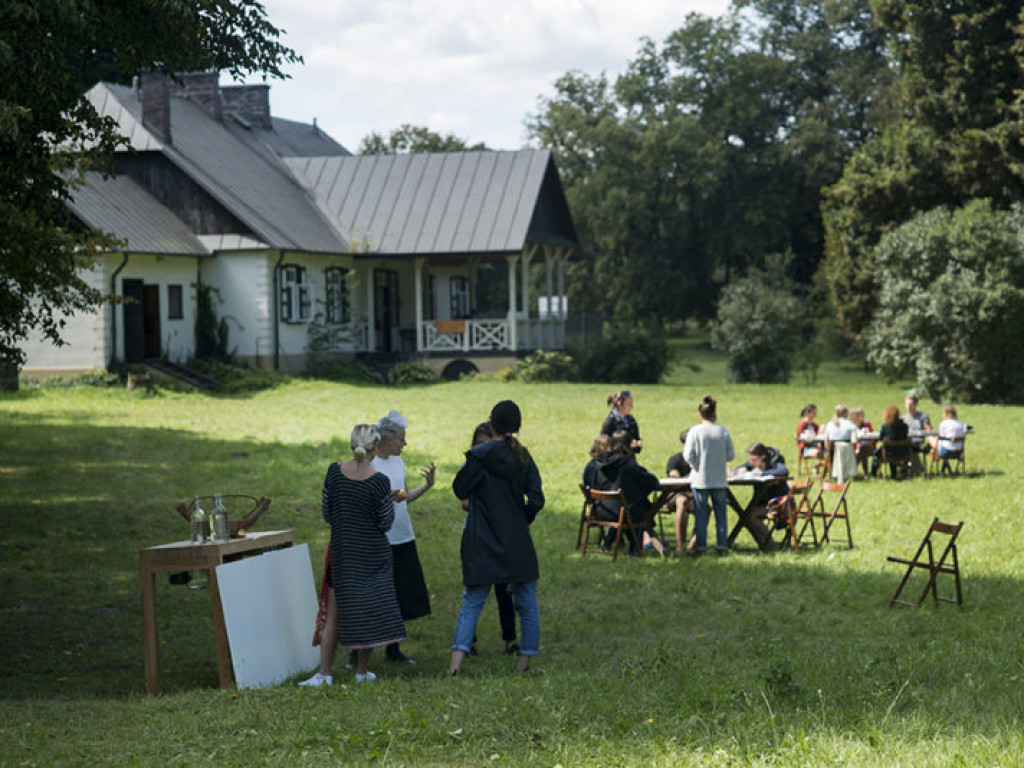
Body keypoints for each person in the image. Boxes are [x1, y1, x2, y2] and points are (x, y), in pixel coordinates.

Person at [300, 424, 405, 686]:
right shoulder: (380, 482)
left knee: (334, 614)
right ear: (375, 447)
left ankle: (325, 673)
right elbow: (385, 523)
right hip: (372, 556)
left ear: (351, 444)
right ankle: (361, 672)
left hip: (343, 553)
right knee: (367, 613)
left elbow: (327, 513)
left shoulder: (334, 472)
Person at [449, 400, 544, 676]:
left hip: (482, 537)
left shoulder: (479, 456)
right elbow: (536, 498)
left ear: (492, 422)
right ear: (517, 425)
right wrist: (521, 518)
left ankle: (455, 667)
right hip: (517, 540)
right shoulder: (522, 456)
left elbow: (459, 488)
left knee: (471, 603)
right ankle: (523, 664)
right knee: (527, 602)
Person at [372, 411, 435, 665]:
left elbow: (403, 496)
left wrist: (427, 486)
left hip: (402, 535)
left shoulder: (398, 462)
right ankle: (359, 650)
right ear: (387, 440)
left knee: (400, 593)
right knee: (376, 594)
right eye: (401, 439)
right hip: (380, 538)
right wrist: (388, 495)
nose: (405, 444)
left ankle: (394, 648)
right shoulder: (371, 464)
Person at [464, 421, 519, 656]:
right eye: (478, 444)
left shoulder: (505, 464)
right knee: (474, 592)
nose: (481, 448)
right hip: (477, 534)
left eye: (485, 443)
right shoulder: (473, 464)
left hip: (501, 534)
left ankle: (510, 640)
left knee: (505, 591)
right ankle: (468, 641)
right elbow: (464, 500)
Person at [590, 430, 662, 556]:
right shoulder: (628, 464)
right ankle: (634, 551)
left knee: (629, 507)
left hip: (600, 511)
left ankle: (608, 541)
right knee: (642, 511)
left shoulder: (599, 463)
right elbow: (652, 482)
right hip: (622, 513)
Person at [683, 395, 735, 556]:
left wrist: (695, 464)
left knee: (701, 514)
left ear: (700, 414)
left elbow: (688, 455)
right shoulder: (723, 430)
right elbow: (730, 455)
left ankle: (701, 547)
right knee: (721, 514)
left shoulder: (695, 431)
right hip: (719, 478)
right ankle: (722, 546)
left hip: (700, 478)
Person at [730, 443, 788, 551]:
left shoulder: (775, 462)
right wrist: (740, 470)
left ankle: (769, 545)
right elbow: (741, 467)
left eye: (754, 460)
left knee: (749, 516)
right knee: (747, 516)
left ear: (763, 457)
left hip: (780, 505)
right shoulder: (754, 463)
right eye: (750, 459)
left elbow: (783, 471)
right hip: (764, 503)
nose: (751, 462)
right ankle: (765, 544)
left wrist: (761, 473)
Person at [665, 430, 696, 554]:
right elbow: (674, 481)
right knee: (682, 501)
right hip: (675, 496)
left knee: (705, 508)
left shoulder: (700, 461)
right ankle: (679, 546)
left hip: (694, 497)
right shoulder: (676, 460)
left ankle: (691, 546)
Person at [872, 404, 910, 476]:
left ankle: (873, 473)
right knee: (893, 449)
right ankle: (897, 473)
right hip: (903, 453)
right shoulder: (904, 426)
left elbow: (880, 438)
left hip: (889, 454)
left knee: (876, 453)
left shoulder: (885, 427)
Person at [823, 404, 858, 481]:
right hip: (845, 449)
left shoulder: (829, 424)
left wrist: (827, 449)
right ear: (846, 413)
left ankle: (831, 474)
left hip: (831, 450)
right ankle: (851, 473)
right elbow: (854, 440)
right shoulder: (850, 424)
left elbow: (826, 440)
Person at [936, 404, 967, 474]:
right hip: (958, 452)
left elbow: (940, 437)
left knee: (936, 443)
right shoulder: (960, 424)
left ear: (945, 413)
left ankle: (943, 468)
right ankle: (947, 468)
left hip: (945, 451)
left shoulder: (943, 424)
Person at [850, 406, 875, 477]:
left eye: (862, 414)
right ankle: (864, 473)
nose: (862, 417)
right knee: (862, 451)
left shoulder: (867, 424)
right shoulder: (850, 426)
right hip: (855, 448)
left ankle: (853, 472)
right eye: (859, 415)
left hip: (868, 447)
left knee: (863, 448)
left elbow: (873, 437)